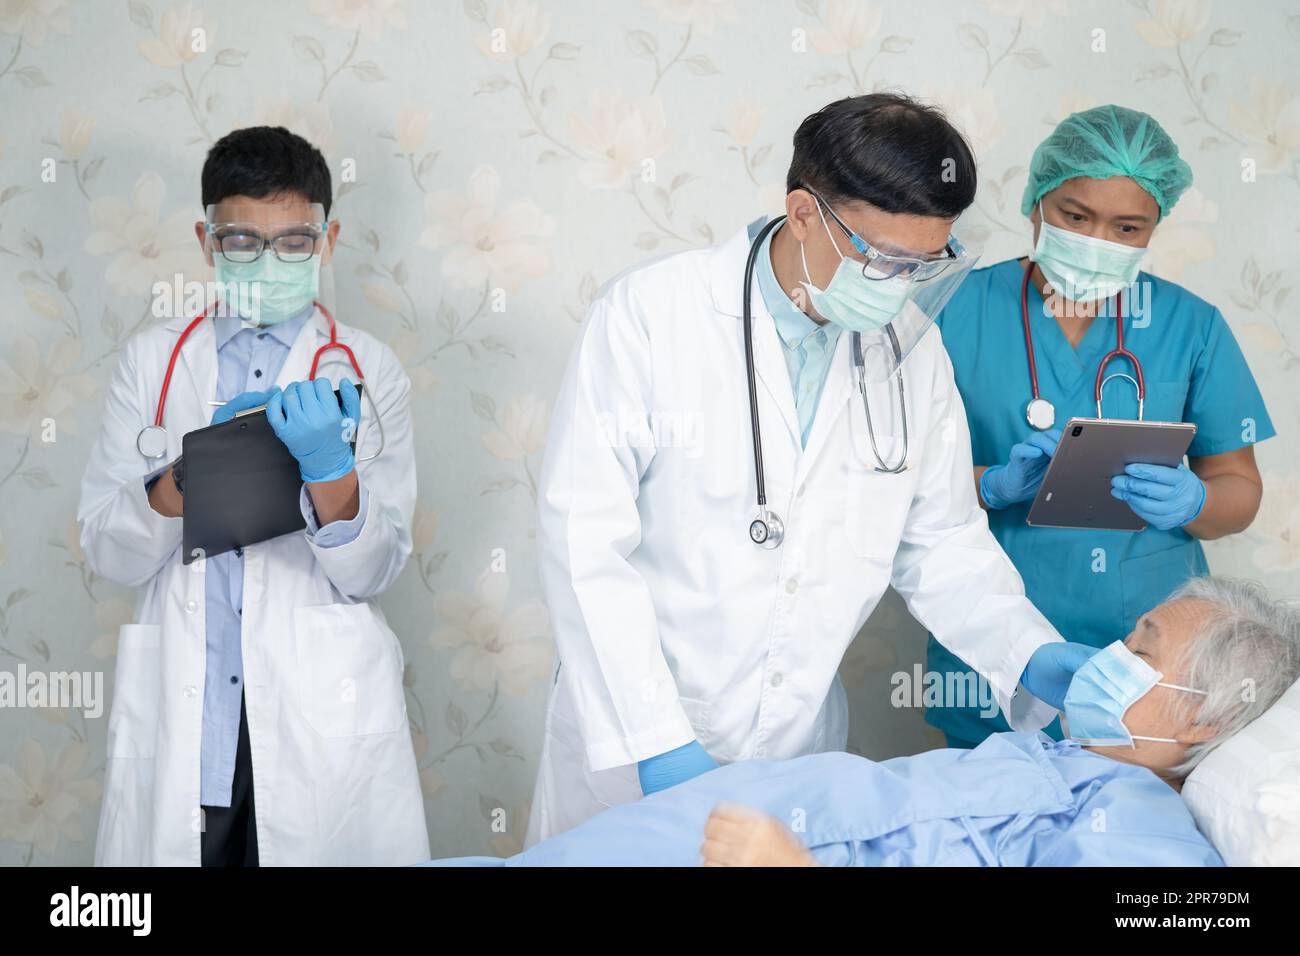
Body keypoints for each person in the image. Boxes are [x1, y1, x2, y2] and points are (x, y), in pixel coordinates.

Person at [527, 93, 1097, 845]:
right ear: (803, 213)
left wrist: (1028, 651)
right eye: (883, 258)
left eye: (925, 264)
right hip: (637, 738)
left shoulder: (911, 352)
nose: (899, 284)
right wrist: (654, 739)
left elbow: (943, 540)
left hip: (794, 747)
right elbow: (582, 543)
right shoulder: (651, 316)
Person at [78, 126, 427, 866]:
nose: (269, 260)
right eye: (242, 242)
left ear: (327, 240)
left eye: (294, 242)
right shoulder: (151, 364)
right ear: (207, 242)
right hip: (189, 724)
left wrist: (331, 470)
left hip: (318, 723)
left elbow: (374, 570)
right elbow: (106, 548)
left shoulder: (371, 369)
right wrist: (175, 489)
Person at [432, 577, 1298, 866]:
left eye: (1140, 650)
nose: (1111, 653)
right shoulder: (1057, 759)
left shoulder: (1143, 829)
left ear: (1206, 719)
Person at [925, 105, 1275, 749]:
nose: (1097, 238)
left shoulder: (1191, 325)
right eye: (1075, 215)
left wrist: (1193, 501)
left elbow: (1239, 491)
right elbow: (894, 480)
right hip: (989, 639)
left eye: (1128, 225)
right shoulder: (952, 308)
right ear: (1036, 201)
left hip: (1149, 657)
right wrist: (991, 484)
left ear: (1154, 228)